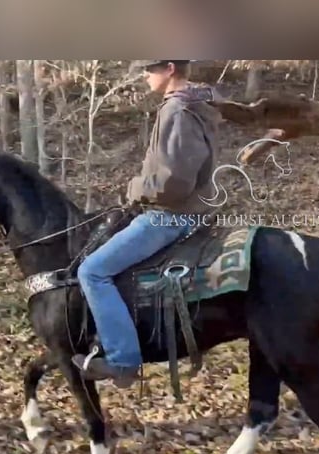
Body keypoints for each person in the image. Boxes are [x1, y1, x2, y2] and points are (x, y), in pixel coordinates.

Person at [72, 59, 223, 387]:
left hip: (169, 216)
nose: (144, 75)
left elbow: (175, 182)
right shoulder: (194, 105)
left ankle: (123, 359)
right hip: (180, 211)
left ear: (169, 68)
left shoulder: (178, 111)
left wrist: (136, 188)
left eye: (149, 69)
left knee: (92, 271)